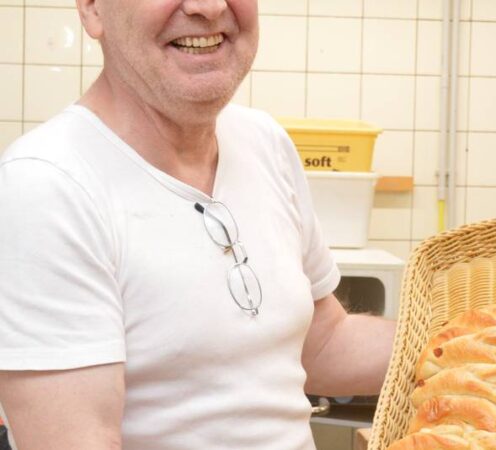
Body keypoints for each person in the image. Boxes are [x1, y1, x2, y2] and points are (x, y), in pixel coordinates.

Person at [0, 1, 396, 448]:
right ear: (93, 9)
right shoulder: (47, 185)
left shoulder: (263, 141)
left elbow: (321, 344)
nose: (207, 7)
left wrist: (469, 331)